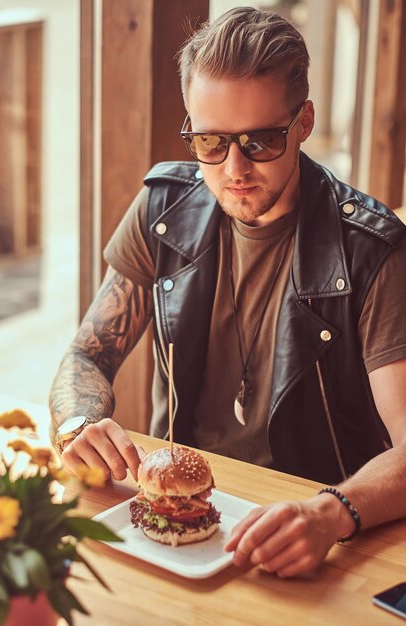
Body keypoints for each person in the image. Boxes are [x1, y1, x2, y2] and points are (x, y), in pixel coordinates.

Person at [49, 7, 406, 578]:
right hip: (183, 532)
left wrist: (331, 512)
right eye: (210, 141)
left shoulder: (372, 250)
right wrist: (79, 425)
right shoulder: (163, 210)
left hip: (313, 540)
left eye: (261, 140)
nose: (233, 168)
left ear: (304, 120)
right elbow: (88, 354)